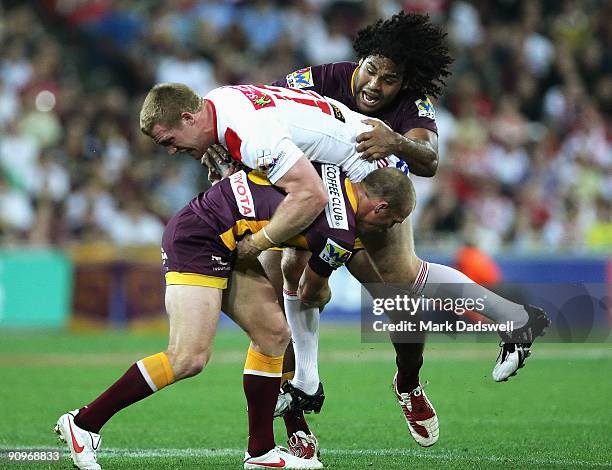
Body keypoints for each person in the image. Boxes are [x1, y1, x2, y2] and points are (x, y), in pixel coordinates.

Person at [54, 163, 415, 470]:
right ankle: (84, 423)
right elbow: (309, 293)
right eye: (391, 222)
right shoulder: (341, 233)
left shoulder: (324, 168)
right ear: (380, 208)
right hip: (202, 239)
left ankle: (260, 452)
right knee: (188, 357)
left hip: (224, 236)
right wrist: (326, 289)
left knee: (274, 334)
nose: (386, 230)